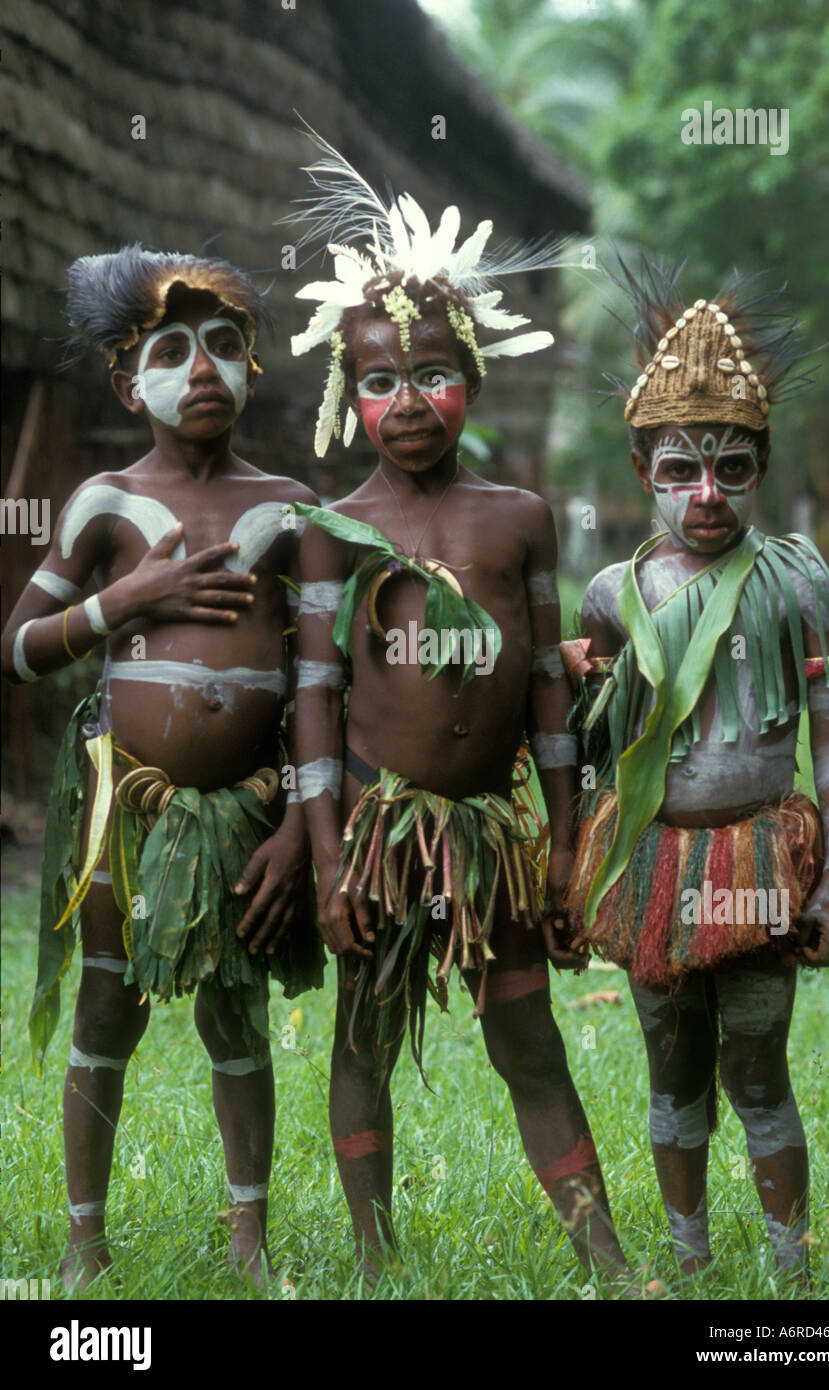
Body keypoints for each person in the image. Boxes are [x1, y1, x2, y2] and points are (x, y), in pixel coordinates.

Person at [286, 136, 630, 1284]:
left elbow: (541, 681)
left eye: (429, 373)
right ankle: (374, 1255)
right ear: (347, 392)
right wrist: (330, 855)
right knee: (363, 1033)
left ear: (470, 380)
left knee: (528, 1035)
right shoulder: (329, 530)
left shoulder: (516, 518)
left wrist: (571, 835)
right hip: (381, 834)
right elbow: (316, 698)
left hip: (489, 832)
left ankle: (601, 1250)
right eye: (376, 380)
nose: (407, 401)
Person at [1, 245, 324, 1286]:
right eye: (171, 350)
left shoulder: (286, 507)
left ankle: (248, 1237)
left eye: (223, 347)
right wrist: (122, 605)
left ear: (254, 367)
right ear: (124, 379)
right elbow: (18, 645)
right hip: (122, 803)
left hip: (244, 805)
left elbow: (325, 677)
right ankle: (84, 1238)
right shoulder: (105, 503)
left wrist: (293, 822)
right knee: (107, 1004)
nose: (199, 371)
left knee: (233, 1005)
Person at [564, 259, 829, 1282]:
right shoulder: (611, 594)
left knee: (756, 1055)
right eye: (680, 468)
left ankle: (789, 1265)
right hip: (654, 861)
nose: (705, 493)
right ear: (642, 466)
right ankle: (688, 1260)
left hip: (757, 856)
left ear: (760, 465)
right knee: (670, 1057)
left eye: (730, 468)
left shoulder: (794, 579)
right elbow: (590, 745)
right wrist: (577, 864)